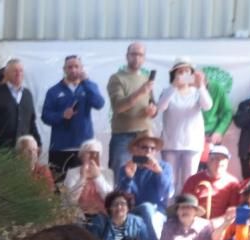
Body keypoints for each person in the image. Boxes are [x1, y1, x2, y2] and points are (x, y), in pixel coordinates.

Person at [40, 55, 105, 178]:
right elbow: (45, 116)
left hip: (84, 148)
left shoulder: (89, 86)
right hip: (60, 147)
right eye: (70, 67)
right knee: (59, 186)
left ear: (82, 68)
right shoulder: (53, 91)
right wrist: (61, 115)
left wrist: (86, 81)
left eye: (76, 67)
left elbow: (99, 103)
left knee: (84, 185)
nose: (73, 70)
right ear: (64, 69)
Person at [156, 57, 212, 193]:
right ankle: (169, 210)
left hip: (192, 145)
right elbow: (161, 107)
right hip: (170, 144)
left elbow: (207, 106)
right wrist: (173, 86)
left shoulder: (197, 92)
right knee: (170, 180)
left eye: (186, 71)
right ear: (173, 74)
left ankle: (187, 210)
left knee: (190, 180)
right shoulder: (167, 91)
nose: (182, 75)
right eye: (179, 72)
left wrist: (201, 86)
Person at [107, 42, 157, 176]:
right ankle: (119, 198)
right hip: (123, 136)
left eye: (140, 55)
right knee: (121, 174)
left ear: (144, 58)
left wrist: (153, 110)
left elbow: (152, 104)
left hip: (144, 137)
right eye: (133, 54)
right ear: (127, 56)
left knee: (144, 175)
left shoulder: (146, 79)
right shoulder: (117, 78)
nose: (136, 58)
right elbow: (118, 106)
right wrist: (141, 91)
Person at [117, 130, 174, 238]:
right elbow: (122, 197)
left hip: (157, 211)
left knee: (147, 208)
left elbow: (168, 193)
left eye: (152, 148)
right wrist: (129, 177)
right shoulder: (127, 168)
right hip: (133, 211)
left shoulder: (164, 167)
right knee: (143, 209)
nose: (148, 151)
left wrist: (159, 173)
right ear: (135, 149)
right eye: (144, 147)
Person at [0, 58, 40, 154]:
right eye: (15, 71)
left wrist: (38, 142)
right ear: (6, 74)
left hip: (24, 151)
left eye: (21, 71)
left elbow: (31, 122)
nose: (18, 73)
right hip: (0, 149)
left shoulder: (27, 95)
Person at [182, 145, 239, 222]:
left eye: (223, 159)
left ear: (227, 162)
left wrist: (216, 222)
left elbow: (233, 210)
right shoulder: (193, 180)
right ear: (208, 160)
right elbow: (185, 205)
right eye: (215, 159)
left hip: (220, 224)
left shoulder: (233, 183)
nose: (219, 162)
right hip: (195, 222)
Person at [89, 191, 157, 240]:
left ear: (128, 207)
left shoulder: (138, 222)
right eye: (115, 204)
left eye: (123, 204)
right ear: (109, 208)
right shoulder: (100, 222)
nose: (119, 207)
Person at [63, 139, 114, 219]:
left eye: (96, 153)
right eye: (89, 152)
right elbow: (69, 200)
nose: (92, 156)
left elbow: (110, 199)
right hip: (79, 215)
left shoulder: (107, 172)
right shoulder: (72, 173)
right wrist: (83, 178)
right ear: (81, 156)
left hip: (102, 216)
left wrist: (98, 177)